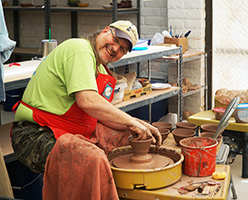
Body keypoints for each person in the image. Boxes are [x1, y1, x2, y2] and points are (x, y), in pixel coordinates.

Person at [10, 20, 161, 200]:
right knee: (92, 159)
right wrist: (131, 121)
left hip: (66, 130)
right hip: (35, 133)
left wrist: (139, 125)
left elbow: (102, 115)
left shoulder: (99, 68)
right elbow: (88, 101)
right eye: (115, 39)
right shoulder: (79, 49)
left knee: (128, 137)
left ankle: (121, 191)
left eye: (122, 49)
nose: (115, 49)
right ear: (105, 31)